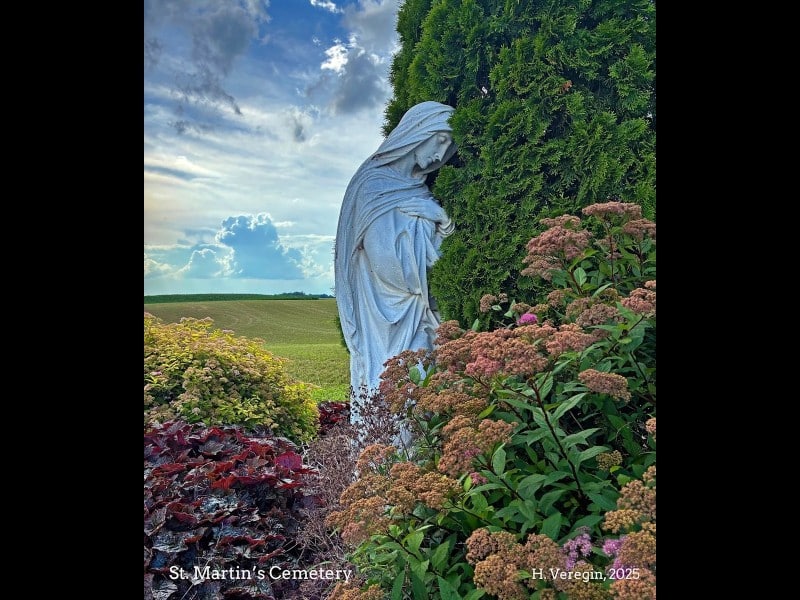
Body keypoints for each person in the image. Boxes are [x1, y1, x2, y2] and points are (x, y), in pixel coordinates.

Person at [334, 101, 457, 426]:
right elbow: (385, 259)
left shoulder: (416, 190)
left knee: (420, 399)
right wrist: (430, 229)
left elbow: (429, 252)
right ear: (418, 132)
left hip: (418, 312)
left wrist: (440, 225)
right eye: (441, 139)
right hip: (388, 312)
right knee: (395, 395)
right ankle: (386, 473)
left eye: (449, 147)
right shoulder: (373, 185)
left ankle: (407, 473)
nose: (440, 154)